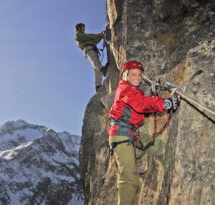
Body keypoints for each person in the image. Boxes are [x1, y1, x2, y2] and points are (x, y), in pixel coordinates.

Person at [108, 60, 180, 205]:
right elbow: (140, 105)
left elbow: (142, 101)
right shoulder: (124, 89)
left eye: (140, 75)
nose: (138, 77)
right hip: (121, 136)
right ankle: (130, 166)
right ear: (126, 76)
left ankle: (131, 163)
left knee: (147, 146)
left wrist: (154, 94)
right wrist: (164, 103)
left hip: (129, 136)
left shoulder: (133, 91)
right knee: (130, 179)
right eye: (133, 74)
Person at [74, 22, 106, 91]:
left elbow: (95, 39)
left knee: (96, 67)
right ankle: (103, 70)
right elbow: (90, 37)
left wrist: (101, 35)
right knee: (96, 64)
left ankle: (98, 85)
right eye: (83, 27)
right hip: (88, 49)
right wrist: (101, 34)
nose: (84, 29)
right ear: (79, 28)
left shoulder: (85, 37)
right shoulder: (78, 35)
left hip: (92, 49)